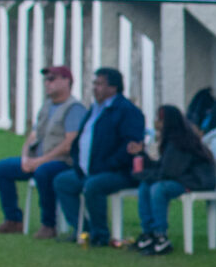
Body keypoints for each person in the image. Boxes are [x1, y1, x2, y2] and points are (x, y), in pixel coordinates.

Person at [51, 67, 146, 247]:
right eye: (94, 83)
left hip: (119, 172)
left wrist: (107, 164)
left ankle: (100, 234)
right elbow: (83, 137)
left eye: (100, 84)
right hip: (90, 170)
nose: (95, 88)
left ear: (113, 88)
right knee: (63, 182)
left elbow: (130, 146)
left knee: (94, 186)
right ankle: (83, 230)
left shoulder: (126, 111)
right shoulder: (95, 109)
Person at [0, 64, 86, 238]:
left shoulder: (74, 108)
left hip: (63, 162)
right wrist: (26, 157)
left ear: (67, 81)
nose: (47, 84)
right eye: (46, 80)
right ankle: (13, 219)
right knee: (2, 168)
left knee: (44, 172)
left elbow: (69, 143)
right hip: (37, 160)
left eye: (52, 79)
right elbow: (33, 135)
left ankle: (49, 225)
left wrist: (40, 161)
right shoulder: (47, 106)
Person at [128, 104, 216, 256]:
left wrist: (142, 174)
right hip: (182, 178)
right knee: (145, 186)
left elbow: (169, 173)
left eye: (159, 119)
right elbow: (162, 167)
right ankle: (148, 233)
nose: (156, 123)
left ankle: (160, 236)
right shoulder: (171, 141)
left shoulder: (181, 142)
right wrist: (141, 155)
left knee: (158, 189)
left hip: (195, 182)